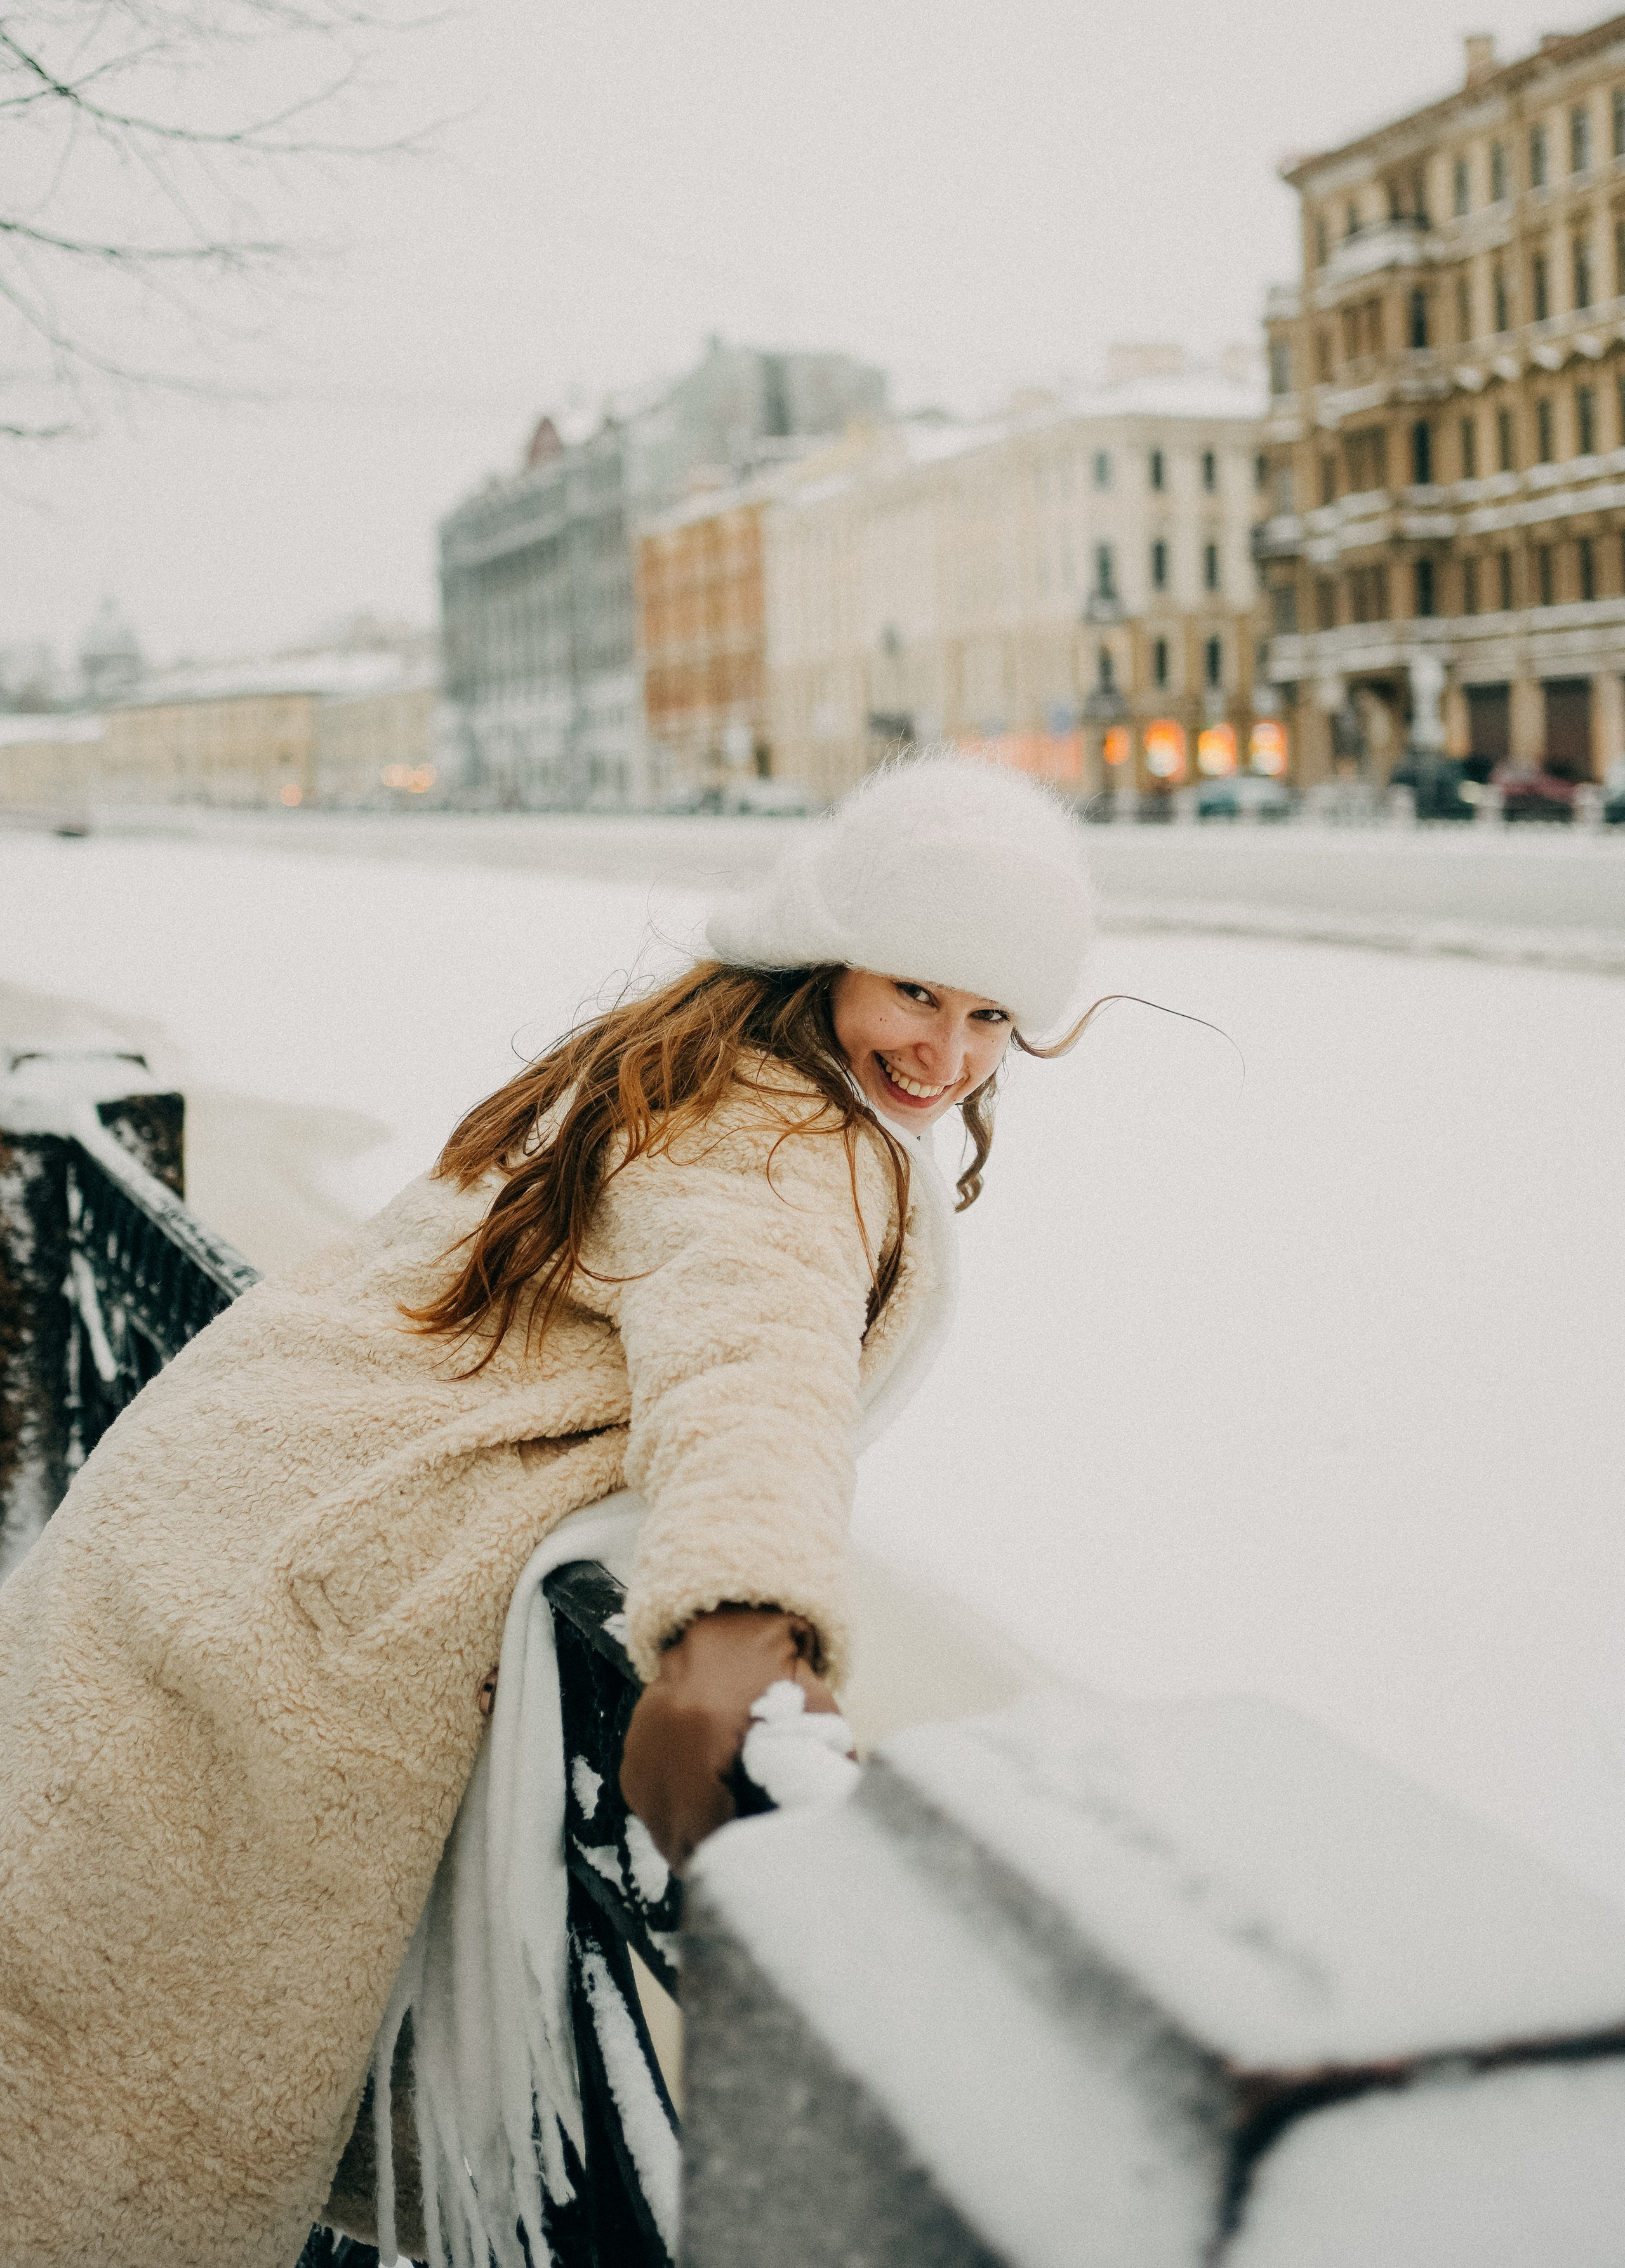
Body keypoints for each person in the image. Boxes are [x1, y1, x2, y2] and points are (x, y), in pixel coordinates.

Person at [0, 753, 1094, 2268]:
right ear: (826, 952)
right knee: (105, 2145)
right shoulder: (790, 1146)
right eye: (918, 990)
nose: (949, 1054)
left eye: (992, 1017)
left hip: (196, 1523)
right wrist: (739, 1618)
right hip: (293, 1612)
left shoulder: (669, 1060)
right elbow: (750, 1370)